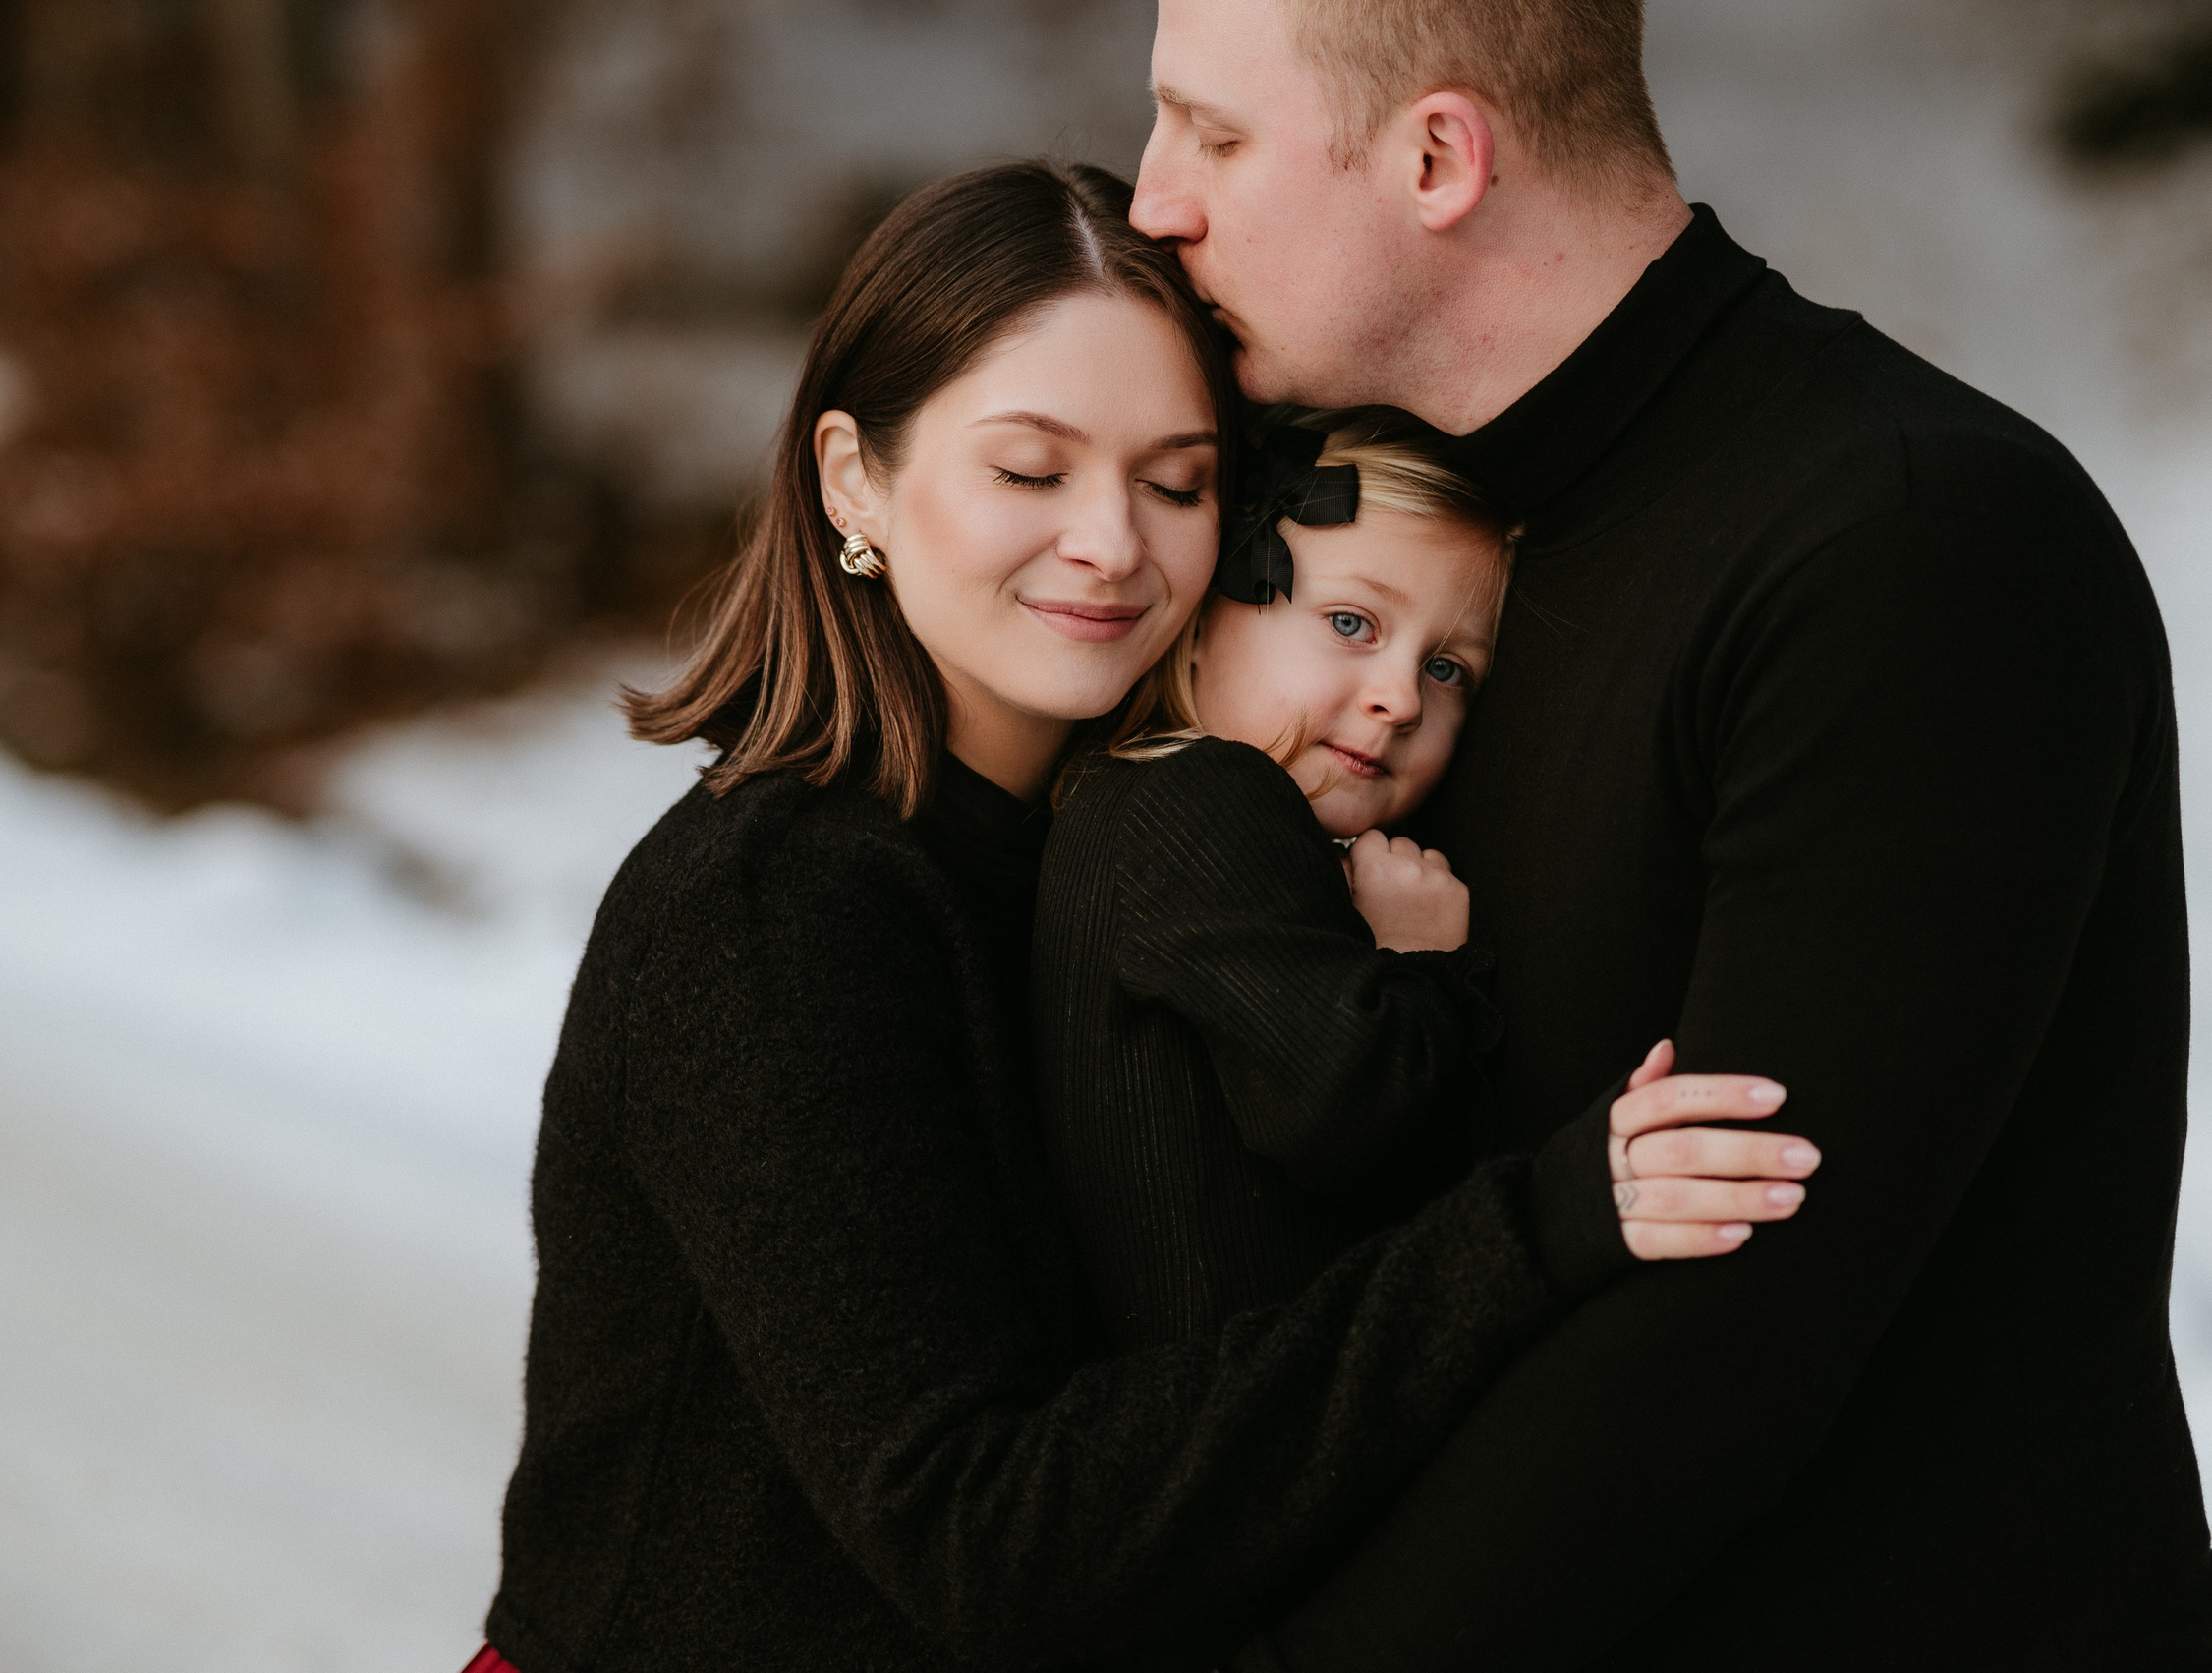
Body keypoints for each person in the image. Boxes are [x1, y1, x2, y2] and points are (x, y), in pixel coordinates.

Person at [473, 160, 1819, 1673]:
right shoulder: (779, 909)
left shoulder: (1111, 850)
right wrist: (1522, 1238)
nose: (1114, 543)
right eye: (1033, 471)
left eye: (1177, 483)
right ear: (855, 478)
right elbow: (987, 1530)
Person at [1129, 0, 2212, 1669]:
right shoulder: (1373, 553)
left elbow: (1729, 1335)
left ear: (1441, 156)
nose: (1157, 199)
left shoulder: (1909, 544)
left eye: (1214, 135)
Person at [1037, 411, 1802, 1355]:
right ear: (1200, 617)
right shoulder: (1195, 798)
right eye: (1351, 623)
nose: (1401, 697)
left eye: (1447, 669)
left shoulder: (1175, 813)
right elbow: (1351, 1117)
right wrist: (1420, 964)